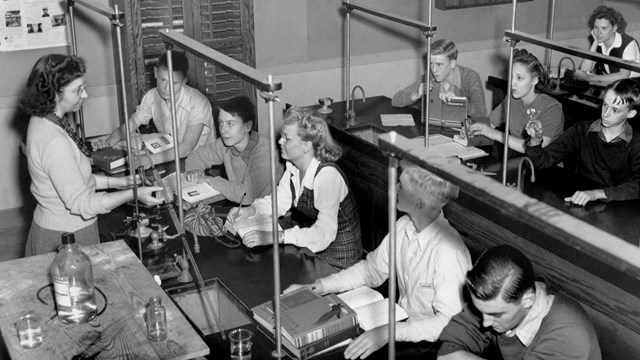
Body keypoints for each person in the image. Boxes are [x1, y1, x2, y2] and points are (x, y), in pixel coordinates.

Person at [285, 164, 472, 359]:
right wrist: (320, 287)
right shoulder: (404, 226)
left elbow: (447, 324)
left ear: (419, 203)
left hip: (435, 346)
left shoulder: (450, 252)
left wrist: (387, 333)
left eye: (401, 186)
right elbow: (371, 271)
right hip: (401, 328)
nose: (394, 189)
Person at [20, 54, 164, 256]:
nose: (85, 94)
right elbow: (83, 203)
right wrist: (134, 194)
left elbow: (75, 179)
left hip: (62, 226)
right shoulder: (53, 141)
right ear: (54, 93)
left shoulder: (47, 119)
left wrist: (122, 182)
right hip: (66, 235)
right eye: (77, 90)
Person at [228, 107, 363, 269]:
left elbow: (324, 234)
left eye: (287, 138)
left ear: (306, 145)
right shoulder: (293, 168)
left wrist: (276, 236)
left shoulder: (327, 176)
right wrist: (251, 210)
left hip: (340, 261)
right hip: (313, 248)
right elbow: (278, 202)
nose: (280, 142)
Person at [437, 244, 601, 360]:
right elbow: (448, 351)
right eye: (480, 312)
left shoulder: (569, 335)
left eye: (496, 315)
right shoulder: (492, 303)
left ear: (528, 301)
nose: (485, 323)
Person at [524, 78, 640, 206]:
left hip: (618, 208)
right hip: (579, 201)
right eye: (605, 105)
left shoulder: (636, 143)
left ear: (631, 113)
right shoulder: (581, 130)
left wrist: (597, 194)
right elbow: (541, 163)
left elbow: (638, 186)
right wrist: (535, 140)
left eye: (615, 110)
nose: (605, 114)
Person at [94, 51, 215, 168]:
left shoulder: (198, 102)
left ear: (184, 81)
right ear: (155, 72)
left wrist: (149, 160)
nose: (167, 88)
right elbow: (130, 125)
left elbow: (187, 148)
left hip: (203, 163)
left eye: (174, 83)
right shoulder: (152, 96)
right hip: (171, 157)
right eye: (163, 80)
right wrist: (108, 142)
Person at [184, 96, 283, 204]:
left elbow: (246, 195)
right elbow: (197, 156)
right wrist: (193, 169)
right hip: (242, 207)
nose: (223, 130)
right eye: (221, 122)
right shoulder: (225, 143)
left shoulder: (264, 152)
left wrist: (210, 180)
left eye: (230, 124)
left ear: (248, 126)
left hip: (272, 214)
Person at [469, 49, 564, 155]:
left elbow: (538, 151)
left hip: (546, 166)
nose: (512, 83)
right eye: (511, 77)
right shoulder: (511, 100)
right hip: (518, 159)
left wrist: (496, 135)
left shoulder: (552, 107)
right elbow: (488, 125)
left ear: (534, 80)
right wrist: (466, 131)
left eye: (519, 78)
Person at [392, 39, 486, 118]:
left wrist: (460, 102)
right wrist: (416, 94)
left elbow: (481, 113)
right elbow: (395, 100)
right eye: (431, 64)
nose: (434, 70)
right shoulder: (430, 75)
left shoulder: (470, 77)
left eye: (439, 64)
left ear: (452, 64)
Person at [575, 6, 640, 85]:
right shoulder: (600, 41)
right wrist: (595, 43)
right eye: (596, 27)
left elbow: (623, 76)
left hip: (631, 87)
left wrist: (590, 78)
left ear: (614, 28)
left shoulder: (628, 43)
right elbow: (584, 70)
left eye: (604, 28)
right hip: (611, 85)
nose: (598, 33)